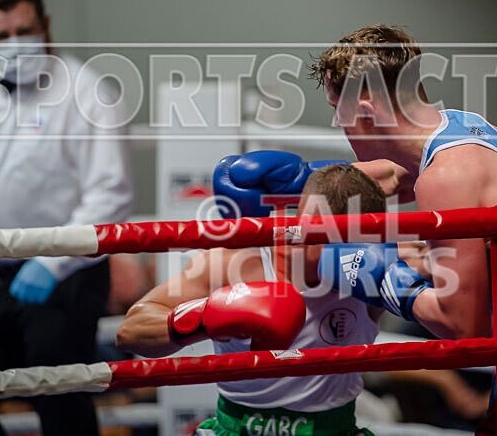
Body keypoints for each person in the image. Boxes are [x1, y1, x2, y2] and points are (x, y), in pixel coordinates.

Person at [216, 25, 497, 434]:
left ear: (363, 106)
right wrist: (303, 184)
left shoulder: (445, 178)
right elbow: (390, 177)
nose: (340, 126)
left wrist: (372, 271)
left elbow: (464, 326)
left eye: (338, 111)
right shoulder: (466, 128)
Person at [0, 0, 134, 436]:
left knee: (61, 410)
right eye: (1, 36)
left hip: (63, 281)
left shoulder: (88, 91)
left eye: (24, 31)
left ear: (45, 24)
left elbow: (112, 193)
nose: (14, 44)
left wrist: (51, 262)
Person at [117, 164, 429, 436]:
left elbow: (460, 311)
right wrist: (203, 317)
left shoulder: (379, 267)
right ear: (303, 222)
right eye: (332, 241)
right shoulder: (235, 260)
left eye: (354, 245)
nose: (344, 257)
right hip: (235, 429)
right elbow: (130, 331)